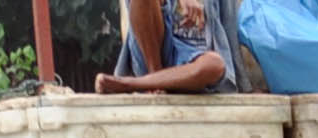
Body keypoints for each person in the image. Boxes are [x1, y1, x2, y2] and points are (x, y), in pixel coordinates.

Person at [102, 0, 238, 92]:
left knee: (215, 64)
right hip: (154, 53)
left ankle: (132, 84)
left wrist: (244, 85)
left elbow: (229, 25)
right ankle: (155, 76)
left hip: (194, 57)